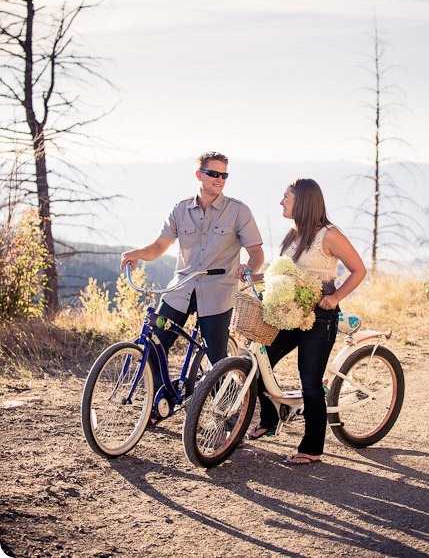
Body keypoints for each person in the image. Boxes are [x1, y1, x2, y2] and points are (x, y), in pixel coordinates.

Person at [120, 151, 264, 394]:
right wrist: (137, 253)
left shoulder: (239, 211)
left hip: (218, 293)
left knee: (216, 358)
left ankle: (226, 414)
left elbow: (256, 252)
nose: (219, 179)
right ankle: (160, 401)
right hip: (180, 290)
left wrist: (249, 268)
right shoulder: (180, 209)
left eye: (224, 175)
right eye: (213, 174)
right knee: (155, 345)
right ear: (199, 175)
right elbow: (158, 247)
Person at [248, 178, 366, 465]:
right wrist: (258, 277)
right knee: (259, 363)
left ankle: (313, 448)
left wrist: (336, 297)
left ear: (303, 201)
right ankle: (271, 418)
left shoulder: (329, 234)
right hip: (290, 314)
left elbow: (358, 270)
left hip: (320, 316)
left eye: (286, 197)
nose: (281, 202)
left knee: (310, 382)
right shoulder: (293, 234)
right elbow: (289, 272)